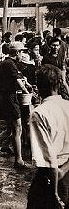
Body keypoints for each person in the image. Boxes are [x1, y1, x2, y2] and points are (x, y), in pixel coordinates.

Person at [0, 42, 30, 168]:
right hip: (10, 98)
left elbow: (0, 83)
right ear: (17, 53)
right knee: (17, 128)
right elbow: (18, 81)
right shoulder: (10, 64)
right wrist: (29, 92)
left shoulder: (5, 63)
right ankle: (18, 160)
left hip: (5, 97)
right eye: (22, 52)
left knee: (10, 129)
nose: (22, 54)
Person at [27, 64, 69, 209]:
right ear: (59, 83)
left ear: (38, 86)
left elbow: (49, 157)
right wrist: (65, 169)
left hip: (51, 177)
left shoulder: (39, 113)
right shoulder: (67, 106)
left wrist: (55, 193)